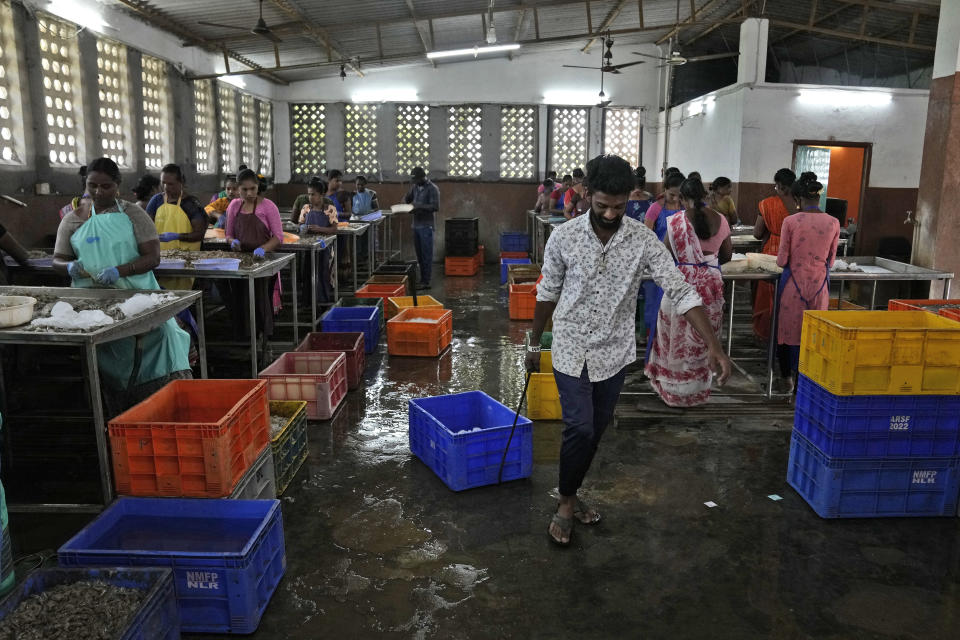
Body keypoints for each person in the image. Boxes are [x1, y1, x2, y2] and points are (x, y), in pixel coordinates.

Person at [527, 154, 731, 547]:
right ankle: (566, 502)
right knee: (579, 427)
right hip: (571, 348)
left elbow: (680, 289)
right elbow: (547, 293)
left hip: (614, 354)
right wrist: (534, 342)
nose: (609, 213)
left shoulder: (641, 240)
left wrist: (714, 345)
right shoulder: (564, 238)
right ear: (586, 194)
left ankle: (573, 489)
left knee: (595, 432)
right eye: (601, 204)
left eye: (618, 207)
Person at [51, 157, 192, 416]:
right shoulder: (72, 220)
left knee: (165, 336)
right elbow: (58, 259)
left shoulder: (134, 215)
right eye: (92, 186)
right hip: (93, 304)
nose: (98, 192)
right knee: (102, 349)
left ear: (118, 185)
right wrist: (68, 267)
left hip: (138, 297)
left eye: (106, 187)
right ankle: (116, 410)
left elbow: (152, 257)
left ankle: (169, 405)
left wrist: (120, 271)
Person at [646, 178, 732, 407]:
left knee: (675, 340)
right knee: (705, 340)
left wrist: (689, 263)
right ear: (704, 196)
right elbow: (727, 256)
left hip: (680, 285)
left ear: (683, 199)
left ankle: (674, 392)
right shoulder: (721, 220)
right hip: (711, 287)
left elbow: (663, 257)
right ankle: (698, 391)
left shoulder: (675, 222)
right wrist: (708, 263)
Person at [776, 172, 839, 392]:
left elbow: (782, 260)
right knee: (815, 334)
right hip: (820, 286)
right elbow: (831, 261)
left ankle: (787, 380)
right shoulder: (833, 222)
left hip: (793, 286)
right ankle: (809, 382)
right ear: (819, 198)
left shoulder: (791, 221)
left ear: (799, 200)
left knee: (787, 333)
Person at [224, 169, 284, 357]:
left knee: (261, 301)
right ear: (237, 189)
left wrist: (264, 248)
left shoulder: (268, 207)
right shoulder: (234, 206)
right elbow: (228, 234)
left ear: (258, 187)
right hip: (242, 261)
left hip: (262, 261)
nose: (249, 193)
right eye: (244, 189)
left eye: (253, 189)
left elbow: (278, 237)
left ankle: (262, 341)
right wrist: (231, 242)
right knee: (241, 300)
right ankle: (244, 341)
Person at [641, 171, 686, 359]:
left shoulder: (687, 208)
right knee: (655, 309)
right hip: (657, 265)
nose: (675, 199)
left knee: (679, 312)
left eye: (679, 196)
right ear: (664, 190)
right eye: (671, 195)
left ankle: (674, 354)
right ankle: (654, 355)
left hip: (681, 265)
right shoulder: (655, 209)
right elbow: (645, 234)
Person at [752, 168, 797, 341]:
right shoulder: (799, 204)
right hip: (794, 255)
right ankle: (786, 334)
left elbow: (757, 233)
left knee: (767, 297)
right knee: (788, 296)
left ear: (780, 186)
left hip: (771, 254)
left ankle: (766, 334)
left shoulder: (766, 204)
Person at [146, 164, 207, 291]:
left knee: (182, 296)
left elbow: (199, 234)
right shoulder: (156, 201)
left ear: (181, 182)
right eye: (163, 183)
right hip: (160, 261)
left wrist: (177, 236)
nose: (166, 187)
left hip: (185, 262)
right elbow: (145, 228)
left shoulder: (190, 204)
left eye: (171, 184)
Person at [403, 166, 439, 290]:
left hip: (426, 226)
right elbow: (407, 197)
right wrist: (405, 204)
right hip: (416, 225)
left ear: (423, 177)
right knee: (419, 255)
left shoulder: (432, 189)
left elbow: (435, 206)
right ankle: (422, 280)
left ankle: (426, 281)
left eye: (416, 180)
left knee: (426, 255)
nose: (415, 183)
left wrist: (418, 206)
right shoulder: (415, 187)